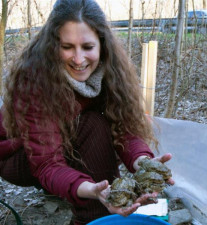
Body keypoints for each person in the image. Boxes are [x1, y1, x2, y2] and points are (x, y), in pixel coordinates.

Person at [0, 0, 174, 224]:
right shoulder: (35, 82)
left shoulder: (110, 73)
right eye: (67, 47)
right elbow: (47, 164)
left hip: (60, 142)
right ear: (53, 46)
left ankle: (93, 201)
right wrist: (92, 190)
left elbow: (123, 127)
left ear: (102, 45)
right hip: (18, 156)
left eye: (87, 47)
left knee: (97, 122)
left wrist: (142, 161)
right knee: (91, 125)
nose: (79, 59)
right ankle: (92, 217)